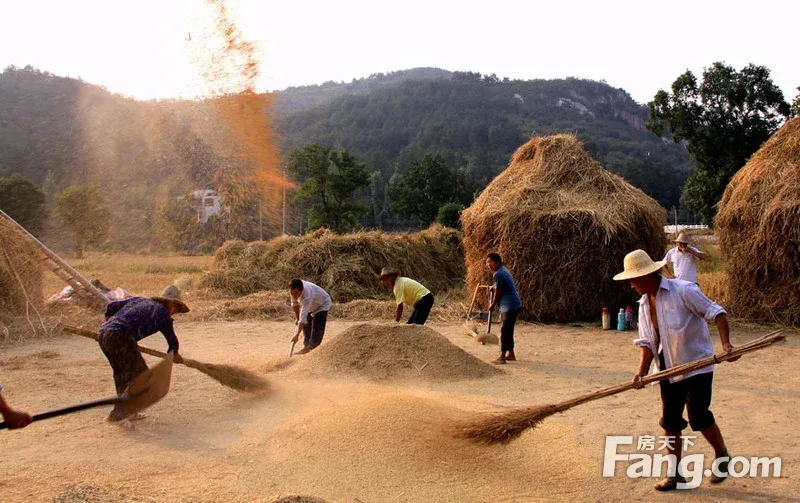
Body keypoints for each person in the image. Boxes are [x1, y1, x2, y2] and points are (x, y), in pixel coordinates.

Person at [614, 249, 736, 491]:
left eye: (633, 280)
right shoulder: (643, 305)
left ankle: (721, 453)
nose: (631, 285)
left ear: (648, 275)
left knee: (698, 417)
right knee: (669, 421)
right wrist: (642, 371)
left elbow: (717, 313)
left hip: (696, 365)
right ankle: (675, 474)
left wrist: (726, 346)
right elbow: (648, 342)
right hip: (667, 369)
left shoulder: (683, 291)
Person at [98, 285, 188, 427]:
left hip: (104, 336)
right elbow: (172, 340)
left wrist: (110, 324)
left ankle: (128, 411)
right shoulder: (163, 314)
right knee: (140, 375)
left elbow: (111, 306)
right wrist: (175, 353)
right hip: (120, 338)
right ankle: (118, 414)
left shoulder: (138, 300)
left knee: (122, 374)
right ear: (170, 303)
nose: (174, 313)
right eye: (176, 309)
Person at [485, 253, 522, 365]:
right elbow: (499, 286)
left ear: (497, 262)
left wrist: (492, 305)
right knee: (508, 330)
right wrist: (494, 287)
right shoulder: (503, 270)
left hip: (509, 305)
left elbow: (499, 292)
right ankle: (511, 354)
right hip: (514, 304)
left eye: (490, 262)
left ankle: (502, 357)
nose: (488, 265)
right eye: (487, 262)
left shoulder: (498, 274)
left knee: (505, 331)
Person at [289, 279, 332, 354]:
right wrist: (297, 318)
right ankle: (306, 347)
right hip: (312, 305)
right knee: (306, 323)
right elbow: (295, 305)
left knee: (317, 325)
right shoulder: (293, 291)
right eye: (292, 293)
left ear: (301, 289)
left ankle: (313, 349)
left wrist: (297, 335)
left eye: (296, 293)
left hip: (322, 304)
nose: (294, 296)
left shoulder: (307, 295)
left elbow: (302, 320)